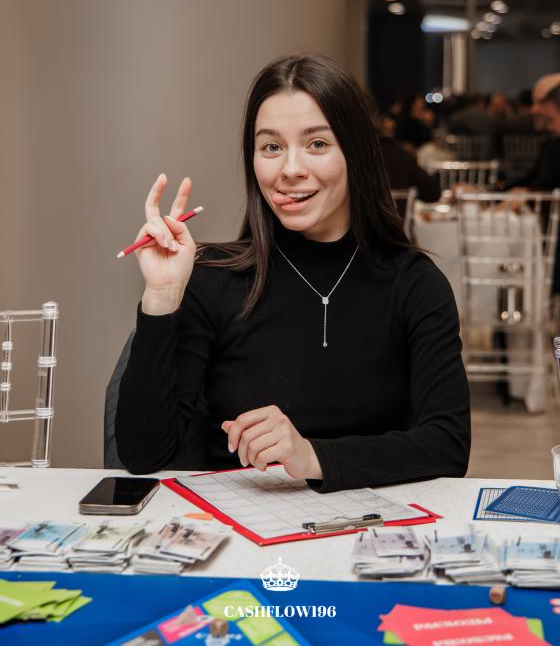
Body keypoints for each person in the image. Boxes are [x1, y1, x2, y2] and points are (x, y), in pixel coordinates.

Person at [115, 55, 470, 492]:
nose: (289, 170)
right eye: (271, 147)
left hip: (370, 525)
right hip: (235, 525)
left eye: (317, 144)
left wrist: (312, 457)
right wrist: (161, 298)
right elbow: (142, 455)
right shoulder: (213, 279)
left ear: (356, 153)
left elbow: (448, 446)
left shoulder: (415, 284)